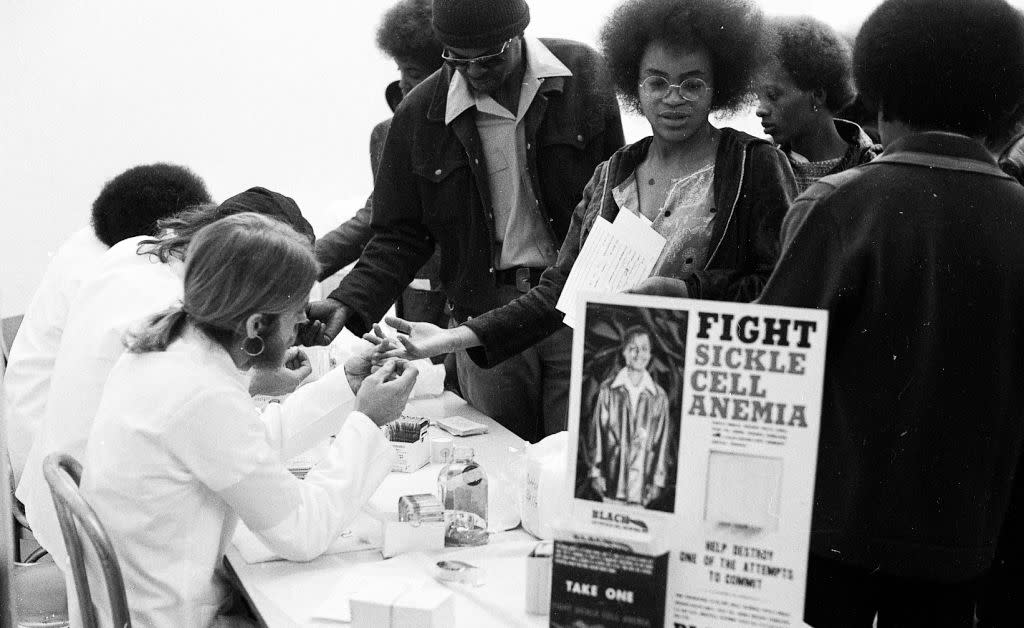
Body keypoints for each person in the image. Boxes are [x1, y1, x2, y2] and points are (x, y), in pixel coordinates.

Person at [369, 0, 796, 432]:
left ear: (717, 88)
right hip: (624, 390)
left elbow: (787, 289)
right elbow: (558, 293)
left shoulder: (752, 165)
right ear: (635, 86)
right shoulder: (613, 176)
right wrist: (450, 338)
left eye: (691, 84)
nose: (673, 99)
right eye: (657, 83)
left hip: (717, 396)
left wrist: (683, 291)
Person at [755, 0, 1024, 625]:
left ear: (875, 91)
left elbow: (769, 374)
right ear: (1008, 105)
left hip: (830, 540)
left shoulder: (839, 205)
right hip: (965, 542)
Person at [306, 0, 625, 442]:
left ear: (520, 34)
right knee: (495, 465)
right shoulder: (418, 114)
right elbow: (400, 233)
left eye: (489, 58)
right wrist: (349, 300)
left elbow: (614, 196)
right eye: (457, 59)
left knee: (575, 466)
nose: (474, 72)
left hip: (573, 311)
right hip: (483, 317)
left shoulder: (584, 74)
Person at [78, 213, 415, 627]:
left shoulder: (172, 348)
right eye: (294, 315)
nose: (300, 327)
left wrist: (345, 385)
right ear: (256, 325)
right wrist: (367, 421)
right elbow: (303, 531)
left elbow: (251, 445)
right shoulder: (200, 391)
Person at [16, 187, 317, 578]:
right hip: (109, 546)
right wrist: (255, 377)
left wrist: (254, 373)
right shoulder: (174, 316)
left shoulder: (136, 251)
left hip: (69, 496)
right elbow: (210, 415)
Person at [4, 163, 210, 483]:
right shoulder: (122, 278)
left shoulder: (89, 244)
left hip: (44, 458)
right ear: (166, 231)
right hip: (63, 481)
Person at [315, 0, 450, 335]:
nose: (403, 84)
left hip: (476, 296)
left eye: (414, 73)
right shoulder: (387, 134)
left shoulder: (484, 130)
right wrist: (299, 261)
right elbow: (376, 217)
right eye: (399, 71)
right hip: (416, 291)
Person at [755, 16, 881, 193]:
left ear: (817, 95)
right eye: (757, 97)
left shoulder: (874, 166)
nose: (760, 110)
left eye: (773, 96)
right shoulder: (757, 168)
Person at [584, 327, 670, 508]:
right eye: (633, 348)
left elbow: (661, 441)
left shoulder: (658, 396)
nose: (639, 354)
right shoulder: (608, 389)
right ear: (624, 352)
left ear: (650, 353)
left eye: (645, 348)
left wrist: (657, 480)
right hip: (612, 478)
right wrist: (595, 472)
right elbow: (598, 432)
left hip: (642, 484)